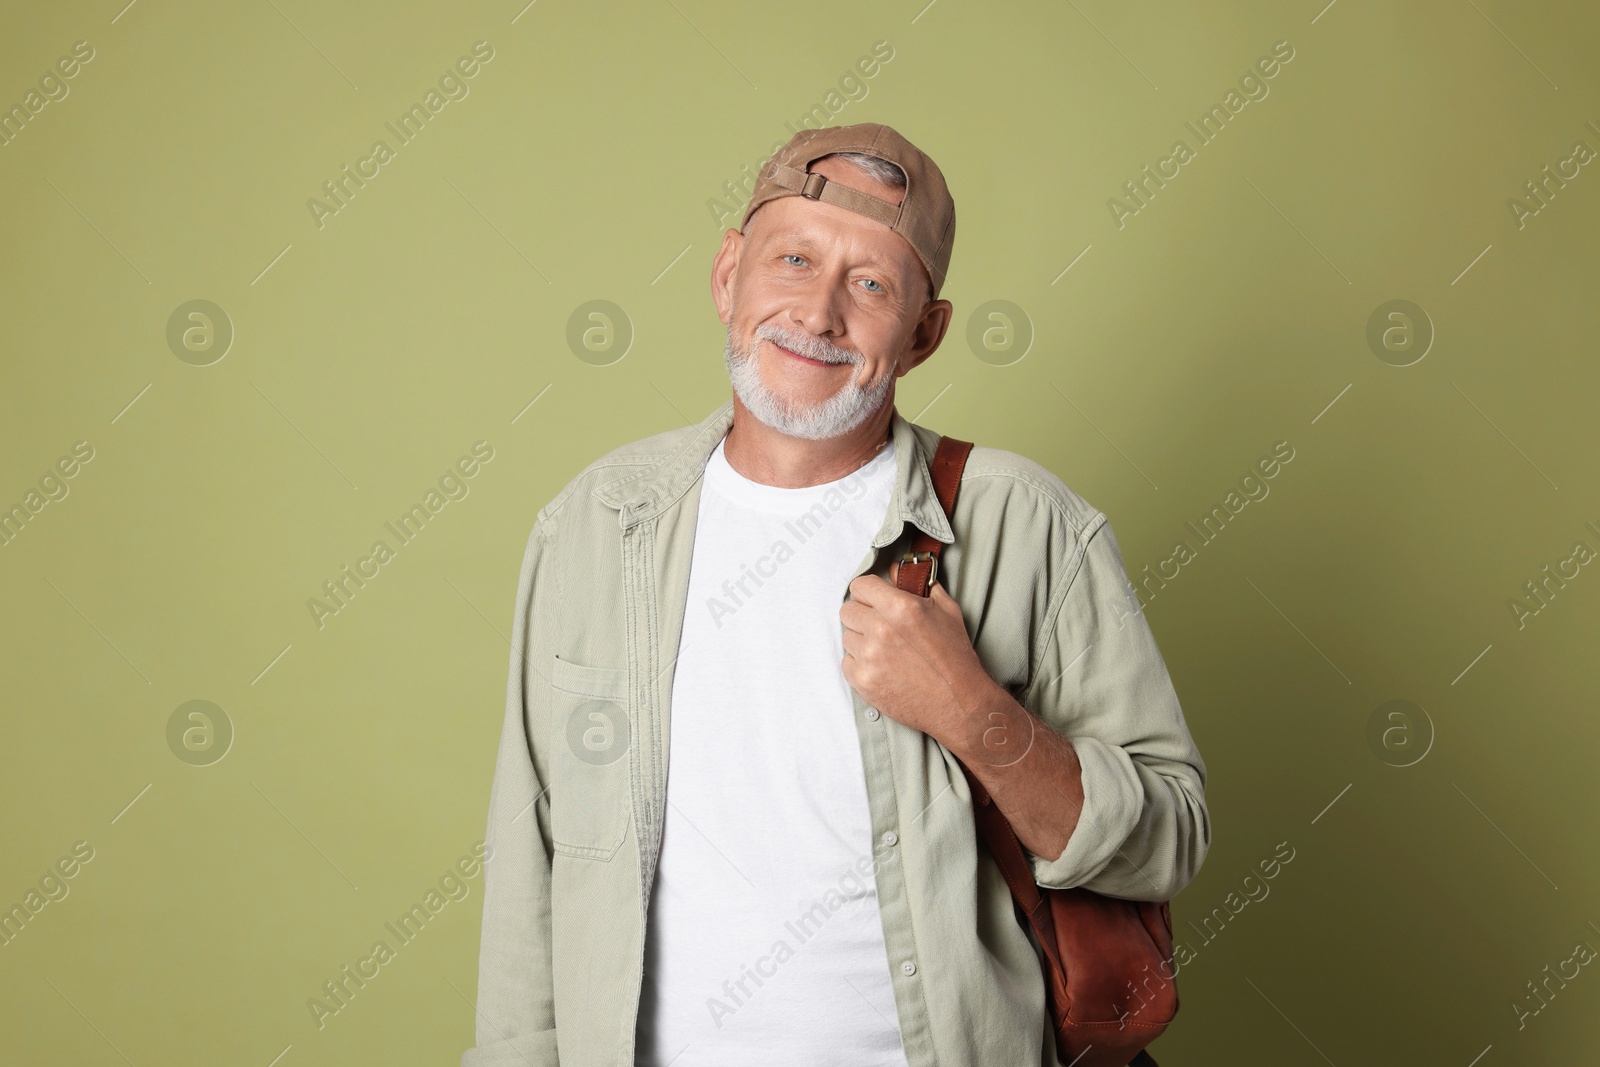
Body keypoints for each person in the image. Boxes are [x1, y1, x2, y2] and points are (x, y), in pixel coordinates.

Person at [462, 122, 1209, 1067]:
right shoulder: (597, 523)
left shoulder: (1030, 527)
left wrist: (975, 713)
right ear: (730, 275)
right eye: (793, 259)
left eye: (871, 284)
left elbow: (1168, 838)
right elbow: (528, 861)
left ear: (924, 333)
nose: (818, 315)